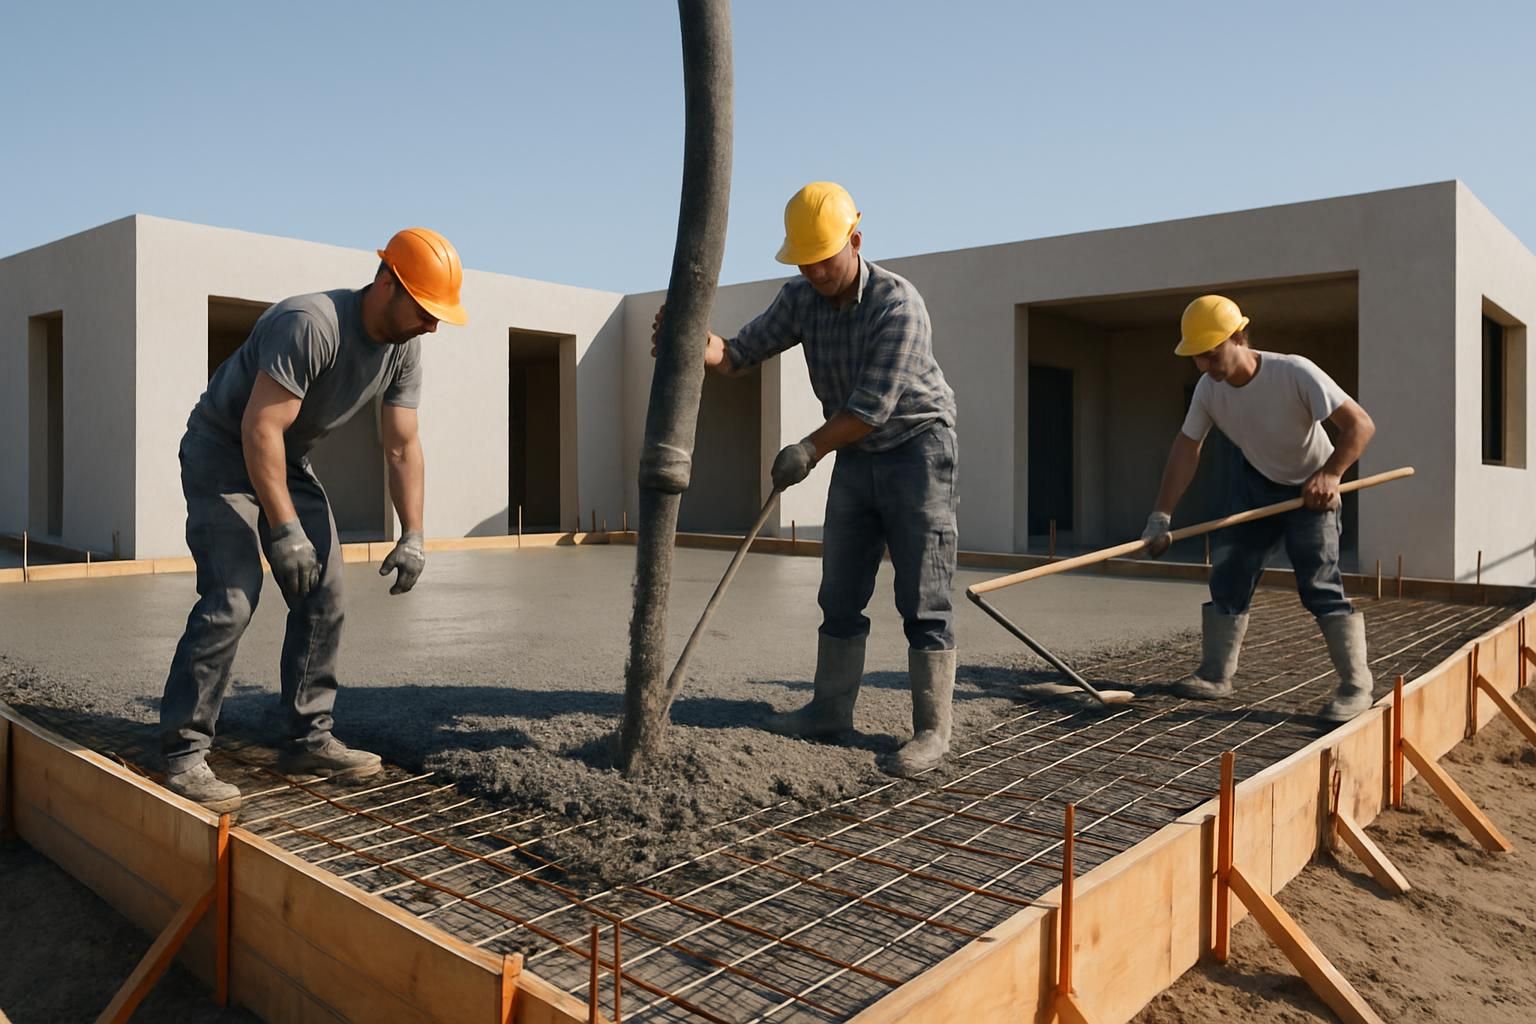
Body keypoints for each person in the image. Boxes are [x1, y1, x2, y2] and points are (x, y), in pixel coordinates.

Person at [158, 227, 468, 812]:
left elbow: (401, 444)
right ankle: (183, 752)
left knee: (325, 596)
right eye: (426, 310)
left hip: (286, 459)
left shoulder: (405, 347)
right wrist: (283, 529)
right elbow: (260, 429)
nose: (433, 325)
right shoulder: (310, 323)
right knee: (233, 597)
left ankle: (307, 737)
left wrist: (415, 534)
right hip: (222, 452)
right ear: (387, 283)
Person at [656, 182, 960, 775]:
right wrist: (694, 341)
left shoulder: (899, 304)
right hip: (853, 450)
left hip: (917, 447)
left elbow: (871, 407)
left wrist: (808, 448)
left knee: (922, 593)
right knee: (840, 589)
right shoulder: (800, 298)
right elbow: (739, 355)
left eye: (825, 258)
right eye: (806, 261)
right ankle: (829, 710)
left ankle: (932, 728)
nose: (816, 271)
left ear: (856, 240)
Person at [1141, 294, 1377, 721]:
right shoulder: (1208, 390)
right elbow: (1187, 448)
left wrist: (1330, 474)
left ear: (1238, 337)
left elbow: (1360, 425)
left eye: (1212, 354)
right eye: (1198, 358)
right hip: (1257, 487)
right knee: (1229, 574)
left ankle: (1356, 686)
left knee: (1319, 585)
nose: (1207, 366)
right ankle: (1216, 675)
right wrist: (1162, 514)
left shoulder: (1294, 372)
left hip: (1311, 491)